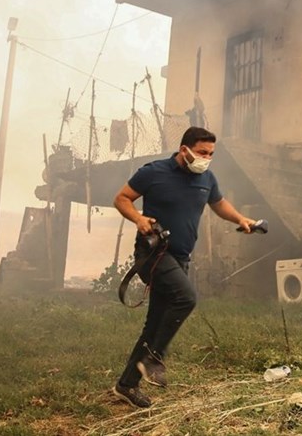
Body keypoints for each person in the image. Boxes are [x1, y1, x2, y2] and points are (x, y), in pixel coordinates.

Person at [111, 126, 258, 408]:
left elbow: (219, 204)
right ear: (184, 150)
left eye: (211, 154)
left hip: (180, 258)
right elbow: (122, 198)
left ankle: (126, 385)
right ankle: (154, 358)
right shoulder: (153, 172)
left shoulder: (207, 178)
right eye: (203, 152)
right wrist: (139, 219)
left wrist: (240, 219)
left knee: (155, 322)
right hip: (153, 253)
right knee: (186, 298)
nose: (207, 158)